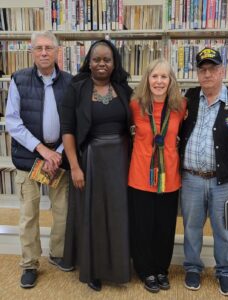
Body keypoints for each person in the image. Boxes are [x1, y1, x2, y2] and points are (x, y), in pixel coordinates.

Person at [60, 39, 132, 291]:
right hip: (89, 161)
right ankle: (94, 270)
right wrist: (75, 166)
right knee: (94, 217)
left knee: (118, 215)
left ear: (114, 63)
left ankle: (120, 266)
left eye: (107, 59)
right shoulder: (76, 88)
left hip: (121, 161)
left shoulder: (124, 89)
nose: (102, 64)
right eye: (97, 59)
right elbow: (67, 130)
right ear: (88, 62)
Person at [5, 31, 73, 289]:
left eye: (48, 48)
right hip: (28, 160)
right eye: (39, 48)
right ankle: (30, 264)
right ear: (32, 51)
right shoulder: (19, 80)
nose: (44, 52)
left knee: (63, 212)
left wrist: (57, 152)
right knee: (29, 215)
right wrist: (43, 151)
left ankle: (57, 254)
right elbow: (12, 122)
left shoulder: (70, 82)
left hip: (60, 159)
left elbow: (73, 122)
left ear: (57, 52)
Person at [128, 58, 186, 293]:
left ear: (171, 80)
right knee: (142, 227)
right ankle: (145, 270)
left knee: (165, 227)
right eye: (155, 76)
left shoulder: (180, 106)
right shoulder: (135, 106)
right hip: (140, 177)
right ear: (147, 79)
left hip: (169, 179)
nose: (159, 81)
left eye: (164, 77)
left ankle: (162, 269)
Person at [180, 47, 228, 296]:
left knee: (225, 228)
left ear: (223, 71)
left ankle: (226, 271)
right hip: (191, 178)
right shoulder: (188, 98)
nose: (208, 74)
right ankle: (192, 267)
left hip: (224, 181)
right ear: (197, 73)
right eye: (203, 70)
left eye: (213, 69)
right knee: (192, 226)